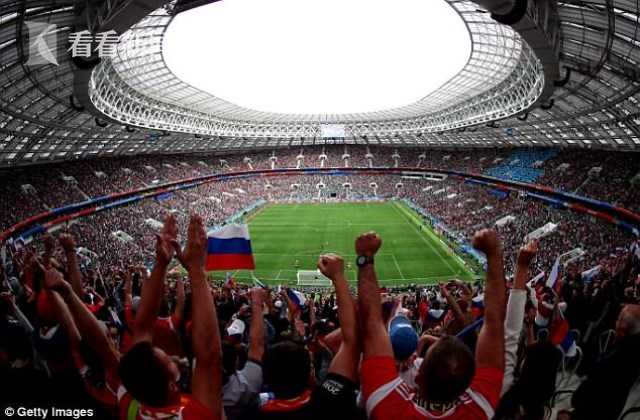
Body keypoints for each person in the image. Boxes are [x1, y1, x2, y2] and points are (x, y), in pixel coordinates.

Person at [359, 229, 506, 419]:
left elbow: (371, 323)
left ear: (418, 377)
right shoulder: (480, 409)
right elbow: (494, 324)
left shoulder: (386, 406)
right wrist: (495, 254)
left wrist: (365, 257)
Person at [571, 304, 640, 420]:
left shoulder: (617, 357)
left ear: (624, 327)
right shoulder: (632, 350)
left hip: (592, 411)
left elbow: (594, 385)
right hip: (610, 410)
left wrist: (576, 403)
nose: (616, 322)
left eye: (618, 319)